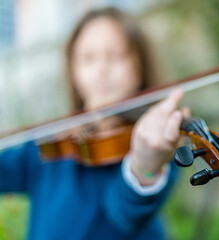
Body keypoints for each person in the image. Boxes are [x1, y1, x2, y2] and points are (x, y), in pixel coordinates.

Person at [0, 7, 188, 240]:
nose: (101, 69)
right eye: (88, 59)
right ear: (73, 70)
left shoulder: (156, 140)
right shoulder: (51, 142)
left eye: (116, 56)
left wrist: (144, 163)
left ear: (140, 65)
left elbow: (126, 213)